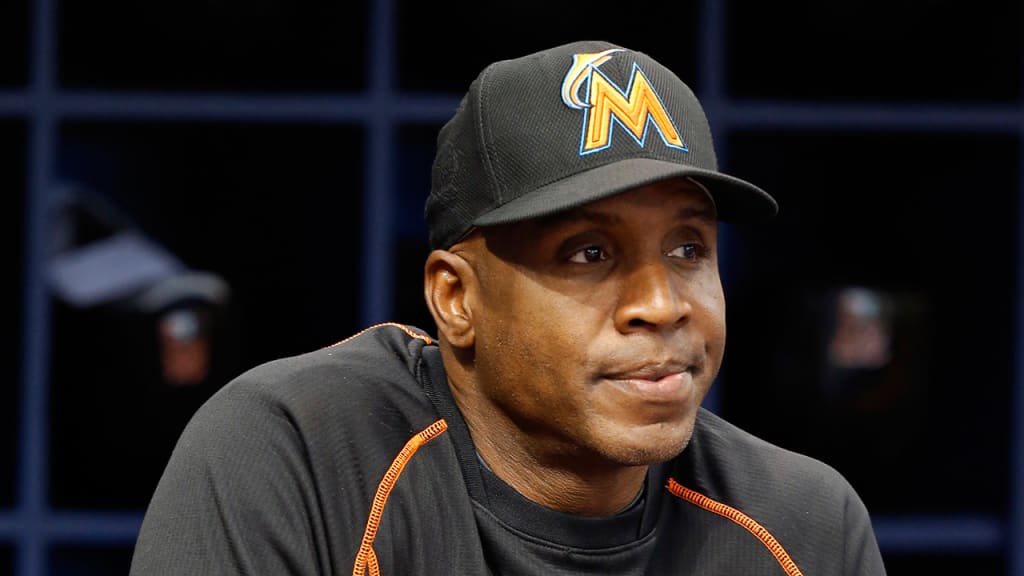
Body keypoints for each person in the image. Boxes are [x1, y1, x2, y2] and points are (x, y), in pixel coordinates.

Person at [130, 40, 887, 575]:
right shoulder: (299, 456)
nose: (661, 306)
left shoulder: (804, 526)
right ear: (455, 299)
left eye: (688, 249)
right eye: (589, 253)